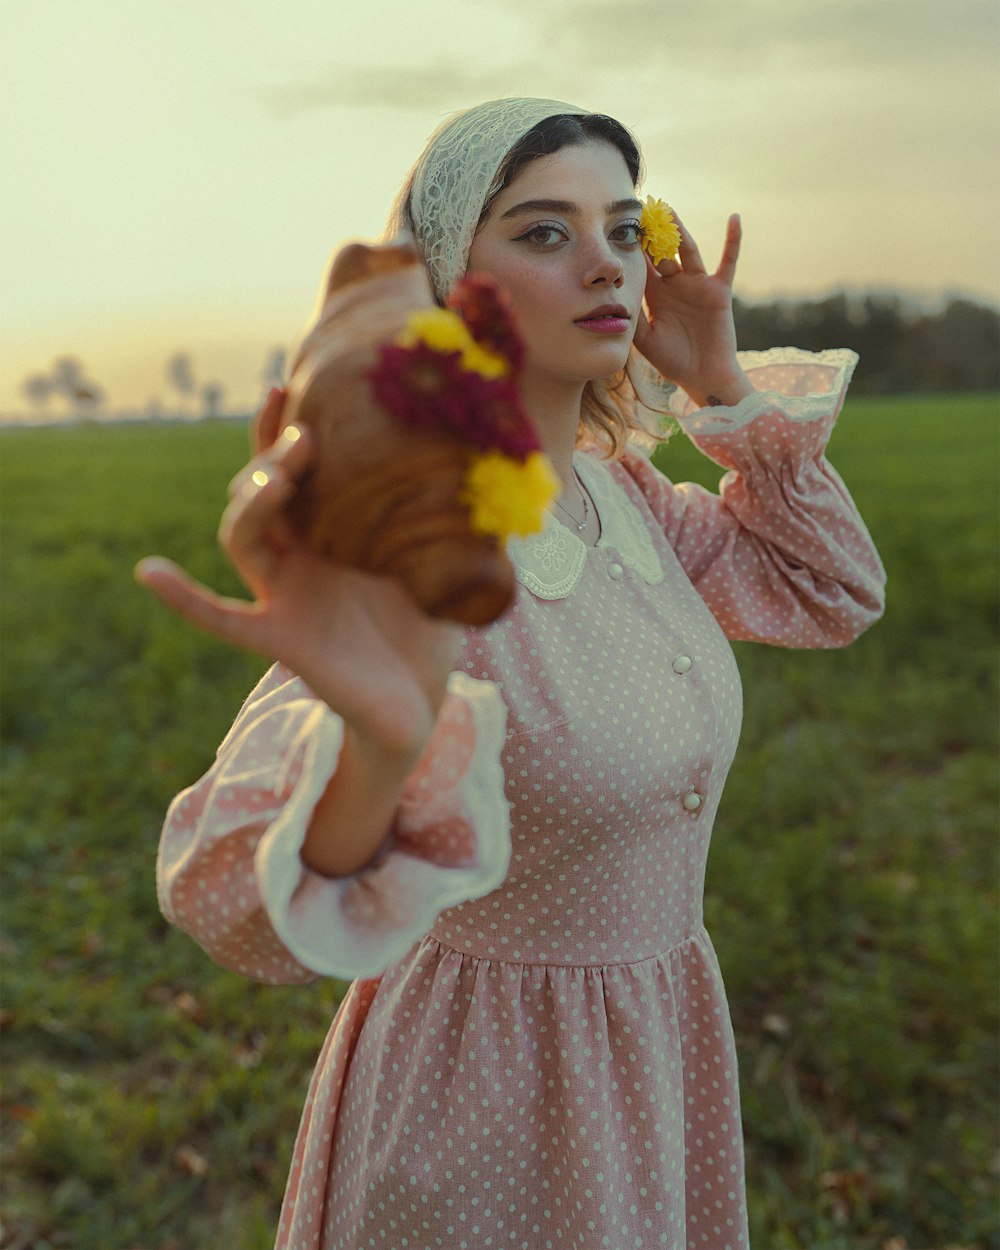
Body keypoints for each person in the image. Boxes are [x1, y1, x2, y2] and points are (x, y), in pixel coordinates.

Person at [138, 97, 885, 1250]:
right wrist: (381, 742)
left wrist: (718, 381)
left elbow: (828, 591)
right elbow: (237, 902)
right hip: (485, 1105)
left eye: (626, 230)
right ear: (449, 283)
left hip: (653, 1050)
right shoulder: (419, 543)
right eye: (543, 232)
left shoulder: (627, 501)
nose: (604, 263)